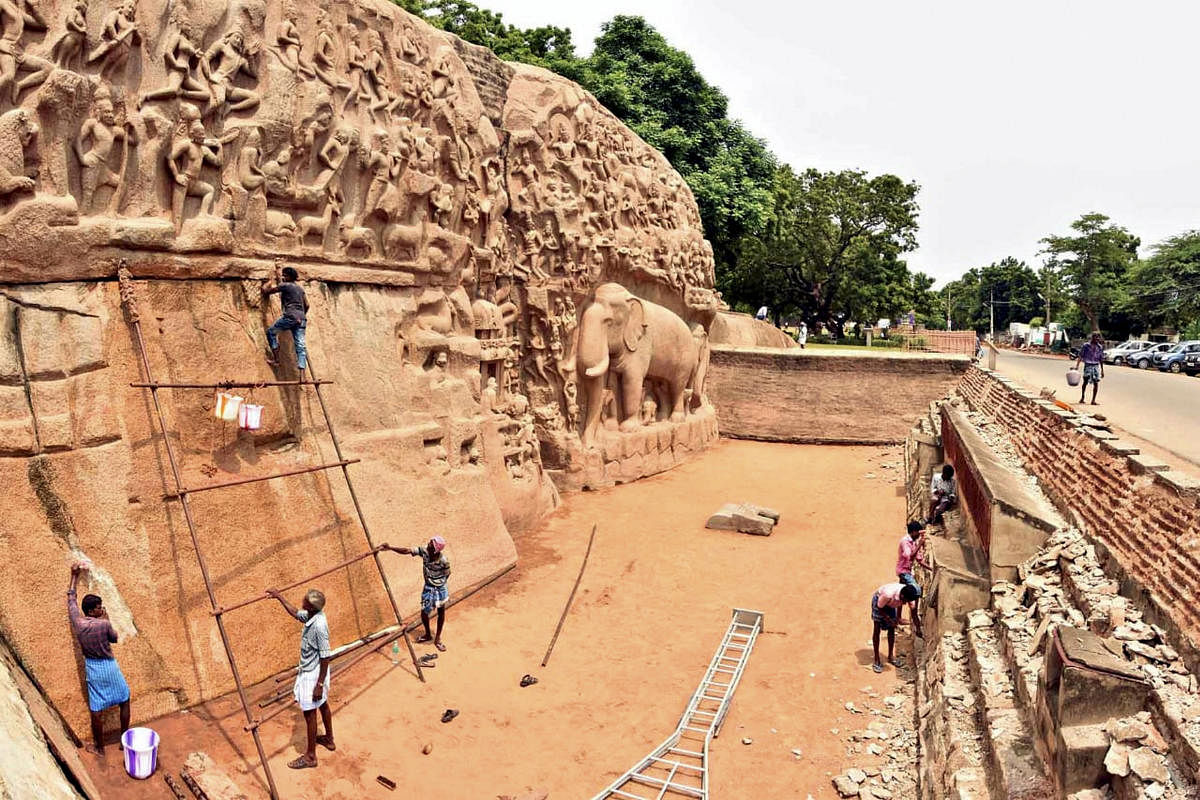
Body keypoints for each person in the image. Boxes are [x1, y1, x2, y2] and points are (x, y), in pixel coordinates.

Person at [266, 588, 334, 770]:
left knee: (309, 712)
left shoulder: (319, 626)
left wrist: (319, 684)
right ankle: (329, 739)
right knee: (323, 704)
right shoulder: (313, 615)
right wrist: (279, 596)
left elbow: (325, 656)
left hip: (313, 673)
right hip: (314, 670)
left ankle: (311, 756)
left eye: (305, 601)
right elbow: (295, 613)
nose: (302, 602)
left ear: (311, 606)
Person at [68, 564, 130, 755]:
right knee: (124, 699)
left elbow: (71, 601)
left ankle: (100, 748)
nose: (101, 609)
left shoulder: (78, 623)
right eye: (99, 607)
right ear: (93, 611)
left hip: (93, 669)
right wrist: (107, 618)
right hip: (110, 667)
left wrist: (74, 576)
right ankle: (124, 740)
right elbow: (115, 638)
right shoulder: (103, 624)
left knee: (96, 709)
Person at [388, 538, 450, 652]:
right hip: (428, 588)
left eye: (431, 545)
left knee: (441, 612)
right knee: (424, 612)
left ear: (436, 550)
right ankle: (428, 634)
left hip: (441, 589)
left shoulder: (444, 561)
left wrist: (438, 584)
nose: (428, 545)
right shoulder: (425, 551)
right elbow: (407, 551)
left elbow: (447, 574)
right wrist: (390, 548)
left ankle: (437, 639)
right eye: (429, 543)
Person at [262, 266, 309, 373]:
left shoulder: (285, 285)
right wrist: (301, 315)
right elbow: (307, 305)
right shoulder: (300, 289)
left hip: (290, 316)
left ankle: (277, 360)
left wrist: (268, 283)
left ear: (289, 277)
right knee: (300, 345)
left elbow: (267, 292)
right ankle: (302, 373)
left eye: (285, 275)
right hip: (301, 319)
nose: (283, 277)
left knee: (271, 332)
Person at [871, 581, 921, 673]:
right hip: (880, 602)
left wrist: (918, 629)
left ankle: (890, 656)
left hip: (890, 604)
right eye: (905, 601)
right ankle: (877, 659)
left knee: (891, 630)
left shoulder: (909, 594)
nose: (905, 603)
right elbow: (879, 607)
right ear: (902, 596)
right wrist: (889, 620)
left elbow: (914, 614)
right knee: (877, 628)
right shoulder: (888, 595)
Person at [896, 520, 929, 638]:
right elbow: (909, 556)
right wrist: (920, 544)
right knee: (916, 592)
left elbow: (919, 560)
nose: (919, 535)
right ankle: (916, 621)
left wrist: (931, 569)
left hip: (906, 572)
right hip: (904, 572)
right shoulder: (905, 542)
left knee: (901, 593)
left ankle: (899, 618)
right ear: (913, 532)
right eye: (918, 533)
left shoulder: (913, 542)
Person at [1075, 332, 1105, 405]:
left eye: (1098, 338)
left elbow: (1101, 359)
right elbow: (1081, 356)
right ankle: (1082, 397)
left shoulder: (1100, 347)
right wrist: (1077, 366)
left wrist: (1102, 370)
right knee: (1085, 381)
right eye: (1096, 337)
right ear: (1092, 338)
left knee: (1096, 382)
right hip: (1088, 365)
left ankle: (1093, 400)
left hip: (1096, 365)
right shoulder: (1086, 346)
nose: (1097, 339)